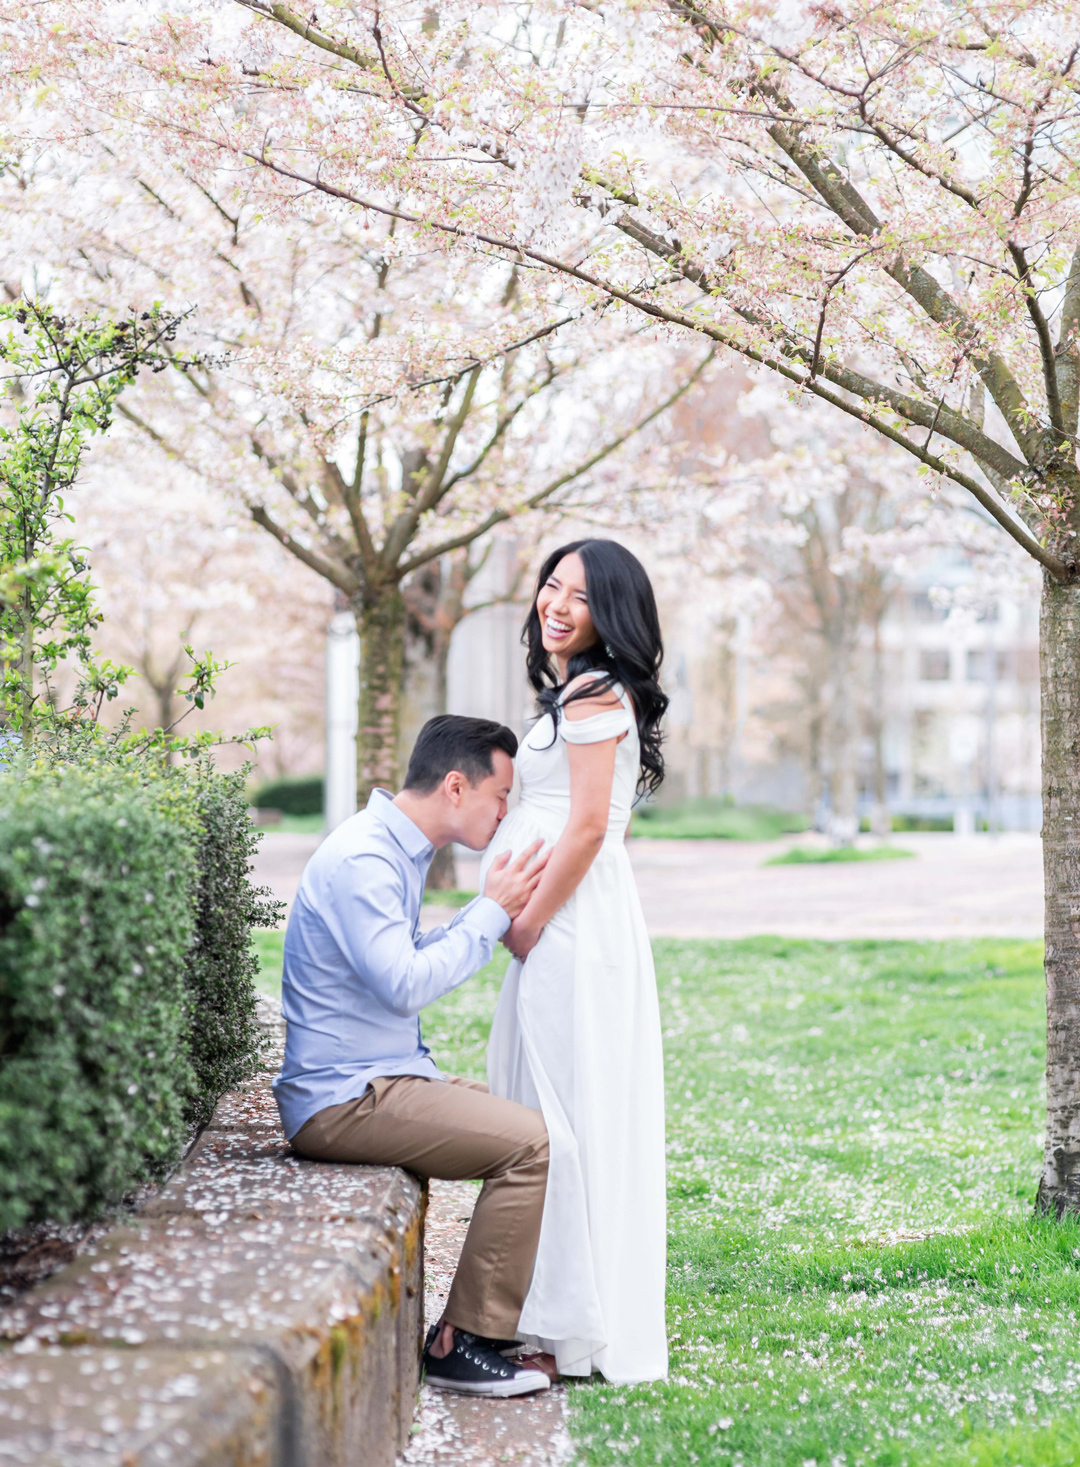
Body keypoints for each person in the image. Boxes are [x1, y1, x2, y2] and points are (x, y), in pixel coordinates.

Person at [273, 715, 554, 1398]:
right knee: (531, 1144)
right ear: (456, 787)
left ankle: (513, 1322)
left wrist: (480, 914)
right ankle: (464, 1343)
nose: (504, 812)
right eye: (501, 795)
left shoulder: (397, 849)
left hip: (378, 1080)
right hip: (344, 1101)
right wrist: (489, 913)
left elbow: (404, 962)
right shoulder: (365, 858)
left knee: (540, 1119)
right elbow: (403, 984)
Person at [480, 538, 670, 1385]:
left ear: (611, 614)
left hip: (573, 923)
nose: (556, 604)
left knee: (561, 1112)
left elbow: (590, 825)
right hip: (565, 919)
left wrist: (528, 924)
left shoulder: (596, 695)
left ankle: (564, 1321)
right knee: (548, 1101)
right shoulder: (581, 689)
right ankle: (550, 1312)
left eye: (580, 597)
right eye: (551, 585)